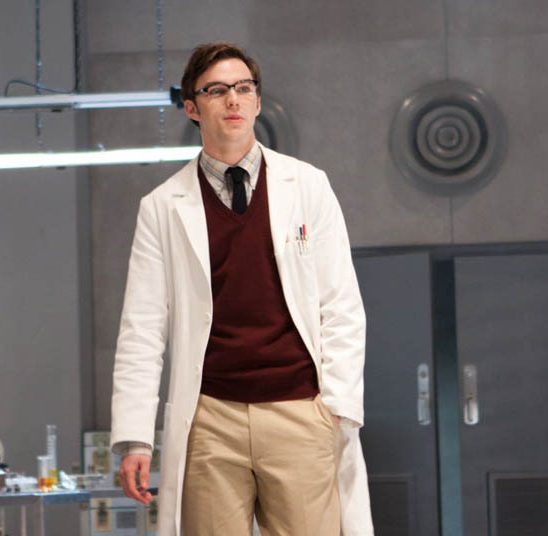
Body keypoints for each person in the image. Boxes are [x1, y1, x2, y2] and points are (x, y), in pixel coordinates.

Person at [110, 42, 373, 536]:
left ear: (257, 101)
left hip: (300, 411)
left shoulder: (308, 186)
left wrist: (336, 408)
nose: (233, 99)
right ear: (192, 108)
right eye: (216, 90)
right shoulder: (161, 207)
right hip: (211, 419)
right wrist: (134, 438)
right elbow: (141, 329)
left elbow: (341, 305)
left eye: (243, 88)